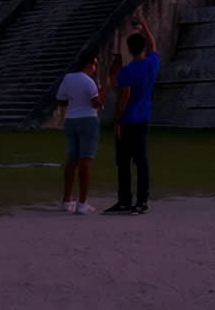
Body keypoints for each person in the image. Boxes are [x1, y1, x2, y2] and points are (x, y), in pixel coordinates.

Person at [105, 15, 158, 215]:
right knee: (141, 162)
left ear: (129, 49)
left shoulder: (127, 71)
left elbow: (123, 97)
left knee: (124, 162)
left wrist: (117, 120)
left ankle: (125, 200)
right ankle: (142, 201)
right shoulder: (152, 63)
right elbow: (153, 43)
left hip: (127, 121)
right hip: (143, 118)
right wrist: (144, 24)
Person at [56, 50, 110, 214]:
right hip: (88, 120)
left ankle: (66, 199)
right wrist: (106, 88)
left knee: (72, 159)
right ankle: (82, 202)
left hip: (72, 120)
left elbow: (61, 99)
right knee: (86, 160)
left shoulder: (68, 78)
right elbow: (96, 103)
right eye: (94, 64)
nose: (95, 68)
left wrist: (75, 100)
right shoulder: (89, 82)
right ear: (89, 64)